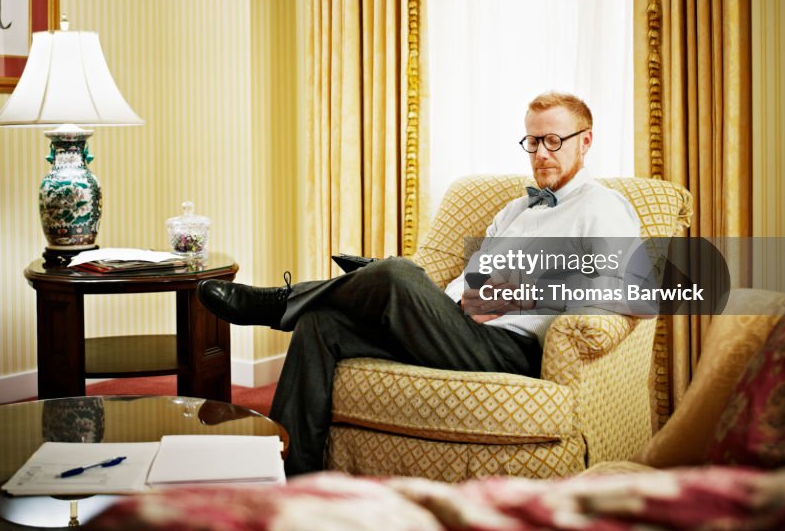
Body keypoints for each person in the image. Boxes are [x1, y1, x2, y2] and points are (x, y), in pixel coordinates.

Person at [198, 92, 643, 475]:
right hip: (459, 325)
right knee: (322, 323)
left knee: (396, 273)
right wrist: (434, 297)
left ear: (585, 141)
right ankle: (290, 479)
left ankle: (279, 302)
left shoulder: (602, 206)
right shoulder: (513, 212)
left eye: (553, 141)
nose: (541, 153)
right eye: (532, 141)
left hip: (508, 347)